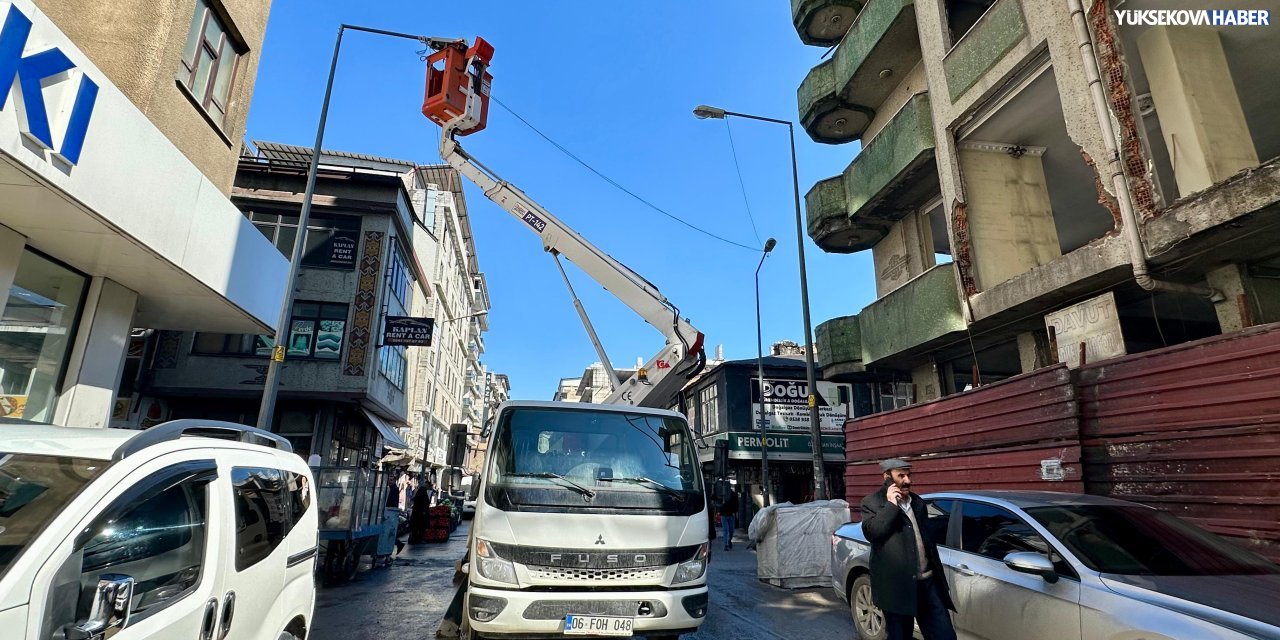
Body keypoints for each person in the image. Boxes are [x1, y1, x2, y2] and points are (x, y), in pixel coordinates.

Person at [861, 458, 957, 640]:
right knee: (900, 636)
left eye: (908, 475)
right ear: (887, 477)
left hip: (927, 584)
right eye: (901, 476)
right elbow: (873, 533)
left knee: (945, 635)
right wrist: (891, 505)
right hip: (896, 588)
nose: (907, 480)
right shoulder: (872, 502)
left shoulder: (917, 503)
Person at [719, 486, 739, 551]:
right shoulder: (720, 494)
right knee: (726, 530)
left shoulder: (733, 495)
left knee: (731, 530)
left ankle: (728, 541)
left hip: (730, 514)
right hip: (724, 514)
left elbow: (736, 504)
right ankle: (726, 544)